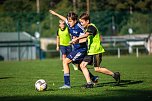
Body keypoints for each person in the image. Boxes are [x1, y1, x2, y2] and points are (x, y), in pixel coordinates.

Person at [49, 10, 98, 89]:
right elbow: (64, 18)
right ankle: (93, 78)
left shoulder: (80, 27)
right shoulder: (69, 23)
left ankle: (67, 84)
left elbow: (85, 39)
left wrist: (75, 41)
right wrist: (55, 14)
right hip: (76, 49)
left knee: (65, 62)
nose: (69, 22)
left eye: (70, 21)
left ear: (75, 21)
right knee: (79, 66)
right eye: (68, 21)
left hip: (81, 49)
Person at [71, 12, 120, 87]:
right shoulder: (87, 28)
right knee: (82, 65)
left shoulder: (91, 27)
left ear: (87, 21)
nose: (81, 24)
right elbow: (85, 39)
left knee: (97, 69)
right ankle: (89, 83)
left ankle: (114, 75)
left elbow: (87, 35)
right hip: (90, 51)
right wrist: (75, 42)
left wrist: (77, 38)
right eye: (80, 22)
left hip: (96, 51)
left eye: (82, 22)